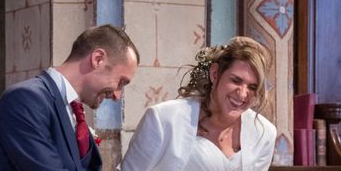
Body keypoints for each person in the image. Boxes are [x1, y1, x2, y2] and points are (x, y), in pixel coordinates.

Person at [0, 24, 139, 171]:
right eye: (121, 82)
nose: (118, 96)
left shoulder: (71, 110)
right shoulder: (25, 100)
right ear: (98, 59)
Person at [118, 36, 276, 171]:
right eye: (235, 80)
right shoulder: (163, 119)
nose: (242, 93)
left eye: (252, 87)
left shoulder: (264, 133)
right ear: (215, 74)